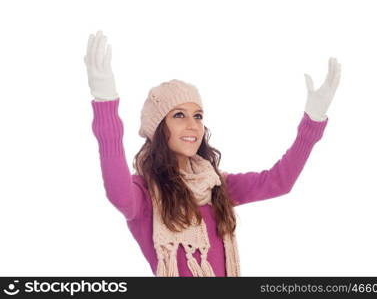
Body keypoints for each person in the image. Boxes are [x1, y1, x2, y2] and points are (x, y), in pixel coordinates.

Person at [84, 30, 341, 277]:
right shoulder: (144, 192)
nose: (192, 125)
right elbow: (118, 194)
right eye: (179, 115)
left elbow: (279, 182)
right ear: (158, 128)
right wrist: (105, 102)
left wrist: (312, 120)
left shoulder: (214, 183)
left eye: (197, 116)